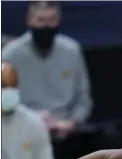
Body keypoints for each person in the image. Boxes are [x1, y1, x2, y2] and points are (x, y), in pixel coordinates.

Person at [2, 1, 92, 139]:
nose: (46, 26)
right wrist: (33, 120)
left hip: (67, 131)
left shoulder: (72, 51)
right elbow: (4, 101)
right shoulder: (11, 55)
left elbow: (83, 100)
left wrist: (70, 122)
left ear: (59, 20)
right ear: (29, 20)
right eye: (41, 20)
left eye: (51, 20)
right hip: (24, 130)